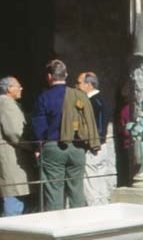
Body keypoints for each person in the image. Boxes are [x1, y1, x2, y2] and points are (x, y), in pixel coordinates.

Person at [31, 59, 100, 211]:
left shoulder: (44, 98)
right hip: (77, 148)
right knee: (76, 191)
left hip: (53, 147)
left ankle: (58, 228)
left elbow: (39, 127)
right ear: (66, 75)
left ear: (49, 76)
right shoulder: (79, 95)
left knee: (54, 192)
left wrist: (38, 147)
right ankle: (78, 229)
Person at [76, 71, 117, 205]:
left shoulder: (94, 102)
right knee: (100, 181)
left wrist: (93, 142)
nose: (77, 85)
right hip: (102, 145)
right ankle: (103, 207)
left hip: (94, 146)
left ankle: (95, 210)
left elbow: (97, 125)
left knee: (91, 183)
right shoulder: (101, 100)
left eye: (79, 83)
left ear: (88, 84)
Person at [0, 76, 33, 216]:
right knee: (14, 196)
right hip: (12, 157)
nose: (21, 88)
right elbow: (14, 132)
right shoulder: (6, 103)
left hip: (9, 156)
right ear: (9, 89)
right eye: (18, 86)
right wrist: (33, 147)